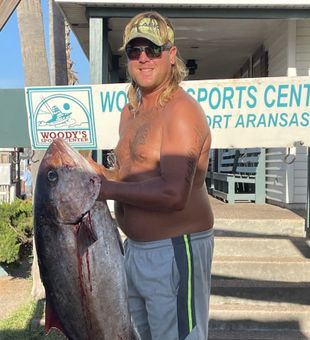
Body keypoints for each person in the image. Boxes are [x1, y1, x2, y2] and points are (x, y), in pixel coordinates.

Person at [95, 11, 214, 340]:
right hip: (133, 249)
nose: (143, 58)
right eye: (135, 51)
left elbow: (173, 194)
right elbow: (129, 175)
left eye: (153, 49)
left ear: (171, 54)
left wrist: (107, 189)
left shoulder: (181, 111)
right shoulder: (130, 110)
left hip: (174, 250)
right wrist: (94, 174)